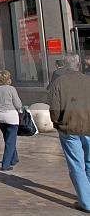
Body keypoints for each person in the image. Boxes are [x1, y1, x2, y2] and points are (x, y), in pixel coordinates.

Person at [48, 55, 90, 212]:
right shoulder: (88, 80)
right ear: (79, 65)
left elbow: (54, 107)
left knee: (76, 164)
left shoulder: (59, 82)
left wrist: (56, 123)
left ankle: (86, 201)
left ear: (65, 66)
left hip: (69, 127)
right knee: (89, 162)